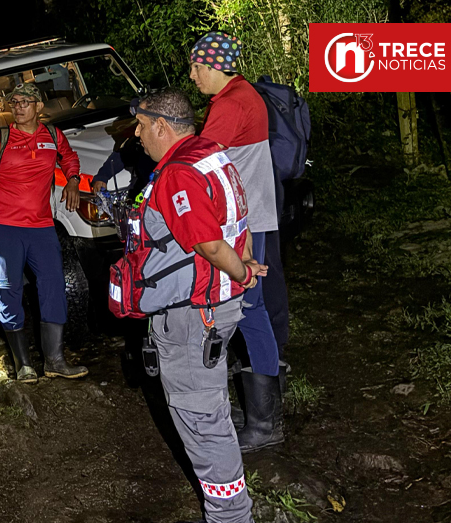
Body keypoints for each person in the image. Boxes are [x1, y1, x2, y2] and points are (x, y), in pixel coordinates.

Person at [131, 89, 266, 523]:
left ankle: (230, 516)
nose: (136, 134)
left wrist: (242, 272)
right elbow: (238, 223)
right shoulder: (214, 155)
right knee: (210, 408)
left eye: (140, 125)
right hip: (217, 307)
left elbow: (209, 243)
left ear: (161, 125)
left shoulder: (178, 174)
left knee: (200, 418)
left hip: (193, 315)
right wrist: (242, 264)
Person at [189, 31, 285, 452]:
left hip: (241, 224)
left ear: (213, 67)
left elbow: (196, 164)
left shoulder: (229, 105)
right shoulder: (247, 93)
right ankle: (260, 412)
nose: (192, 76)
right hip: (255, 216)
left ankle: (265, 423)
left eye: (196, 68)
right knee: (252, 307)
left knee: (248, 307)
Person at [0, 83, 88, 383]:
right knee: (8, 290)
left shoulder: (52, 135)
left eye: (27, 101)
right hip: (5, 227)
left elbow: (69, 157)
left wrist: (73, 179)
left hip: (41, 226)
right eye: (15, 101)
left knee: (53, 286)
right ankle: (23, 364)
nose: (20, 106)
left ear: (40, 107)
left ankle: (55, 360)